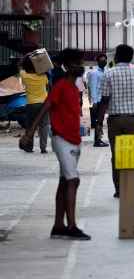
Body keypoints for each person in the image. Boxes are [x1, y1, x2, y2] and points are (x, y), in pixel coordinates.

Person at [20, 49, 91, 240]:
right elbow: (46, 108)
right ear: (67, 66)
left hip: (74, 139)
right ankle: (72, 226)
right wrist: (29, 133)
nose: (81, 66)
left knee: (64, 182)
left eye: (81, 63)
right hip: (62, 139)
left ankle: (59, 225)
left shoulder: (74, 87)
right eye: (77, 63)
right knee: (73, 181)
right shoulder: (60, 86)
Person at [97, 44, 134, 198]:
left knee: (116, 155)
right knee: (133, 154)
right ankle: (132, 187)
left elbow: (104, 101)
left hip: (115, 120)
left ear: (116, 57)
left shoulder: (109, 74)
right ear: (131, 57)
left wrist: (99, 122)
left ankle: (119, 189)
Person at [19, 56, 50, 153]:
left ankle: (29, 147)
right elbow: (47, 86)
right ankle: (43, 148)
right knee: (44, 126)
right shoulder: (43, 76)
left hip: (31, 103)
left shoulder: (23, 74)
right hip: (43, 103)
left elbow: (20, 68)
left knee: (30, 125)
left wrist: (25, 60)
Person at [86, 54, 108, 148]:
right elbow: (92, 87)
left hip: (103, 99)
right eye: (102, 60)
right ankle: (97, 140)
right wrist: (94, 101)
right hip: (98, 100)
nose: (104, 61)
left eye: (105, 60)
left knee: (100, 120)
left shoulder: (106, 72)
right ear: (98, 62)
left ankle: (99, 139)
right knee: (98, 121)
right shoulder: (94, 73)